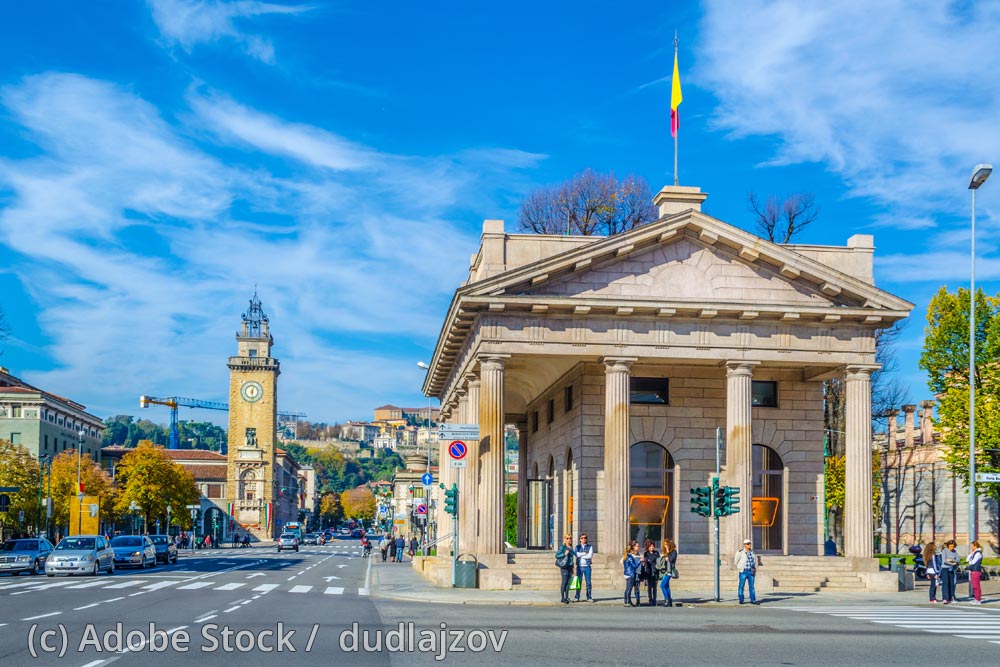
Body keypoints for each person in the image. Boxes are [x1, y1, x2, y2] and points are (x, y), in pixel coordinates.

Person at [734, 539, 759, 605]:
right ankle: (741, 599)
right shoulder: (740, 552)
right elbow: (735, 561)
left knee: (752, 587)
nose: (749, 545)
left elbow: (755, 561)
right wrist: (739, 567)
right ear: (744, 545)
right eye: (748, 544)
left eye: (750, 543)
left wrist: (755, 568)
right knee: (741, 586)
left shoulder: (752, 552)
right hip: (743, 571)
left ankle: (753, 600)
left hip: (751, 572)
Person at [574, 533, 595, 603]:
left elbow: (590, 556)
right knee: (578, 582)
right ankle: (577, 597)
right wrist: (584, 553)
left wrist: (581, 555)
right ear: (580, 539)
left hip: (587, 567)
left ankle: (589, 597)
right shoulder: (577, 547)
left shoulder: (590, 546)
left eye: (585, 538)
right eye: (582, 538)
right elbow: (576, 554)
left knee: (588, 582)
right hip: (579, 567)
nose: (583, 539)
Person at [555, 534, 575, 604]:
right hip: (564, 567)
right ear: (565, 539)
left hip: (570, 567)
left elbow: (573, 557)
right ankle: (562, 598)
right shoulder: (562, 547)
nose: (569, 539)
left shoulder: (571, 546)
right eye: (567, 538)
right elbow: (557, 555)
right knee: (564, 582)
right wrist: (564, 554)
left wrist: (573, 568)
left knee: (568, 583)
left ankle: (566, 597)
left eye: (570, 538)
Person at [658, 538, 678, 607]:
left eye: (666, 545)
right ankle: (669, 600)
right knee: (666, 586)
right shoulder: (667, 553)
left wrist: (667, 552)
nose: (665, 546)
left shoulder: (673, 552)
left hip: (669, 571)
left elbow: (671, 559)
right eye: (664, 545)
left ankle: (667, 600)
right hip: (665, 571)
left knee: (662, 585)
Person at [622, 542, 642, 607]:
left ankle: (626, 601)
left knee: (627, 588)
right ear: (631, 551)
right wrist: (640, 561)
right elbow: (634, 565)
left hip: (626, 573)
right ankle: (628, 601)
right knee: (629, 589)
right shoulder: (630, 557)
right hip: (630, 573)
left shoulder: (625, 557)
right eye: (632, 550)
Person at [641, 540, 661, 606]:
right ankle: (650, 599)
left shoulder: (656, 553)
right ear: (648, 547)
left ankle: (654, 600)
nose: (652, 547)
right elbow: (646, 561)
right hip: (649, 572)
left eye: (653, 546)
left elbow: (658, 561)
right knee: (649, 587)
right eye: (650, 546)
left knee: (655, 587)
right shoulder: (646, 553)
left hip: (655, 571)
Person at [939, 539, 959, 604]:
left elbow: (958, 559)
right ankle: (945, 598)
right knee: (945, 583)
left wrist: (951, 559)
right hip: (945, 569)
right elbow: (944, 561)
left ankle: (950, 598)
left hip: (952, 569)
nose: (952, 548)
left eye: (953, 546)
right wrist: (952, 563)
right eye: (950, 546)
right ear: (948, 546)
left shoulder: (955, 552)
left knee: (951, 584)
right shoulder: (944, 551)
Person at [967, 540, 984, 604]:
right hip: (973, 571)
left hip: (976, 571)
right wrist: (971, 554)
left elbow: (973, 562)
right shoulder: (974, 553)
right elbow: (967, 559)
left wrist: (970, 562)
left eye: (972, 546)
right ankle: (976, 598)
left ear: (975, 546)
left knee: (976, 586)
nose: (971, 548)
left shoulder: (978, 553)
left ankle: (978, 599)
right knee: (974, 586)